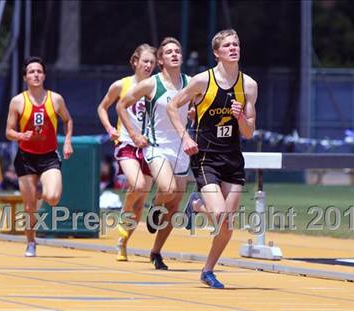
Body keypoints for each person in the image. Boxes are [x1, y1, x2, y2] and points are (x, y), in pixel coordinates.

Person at [167, 29, 257, 288]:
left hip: (232, 159)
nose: (233, 48)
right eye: (227, 45)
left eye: (236, 44)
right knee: (219, 216)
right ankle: (197, 205)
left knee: (227, 226)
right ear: (217, 52)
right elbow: (173, 106)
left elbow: (249, 132)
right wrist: (185, 137)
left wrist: (240, 117)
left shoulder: (249, 86)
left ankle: (208, 270)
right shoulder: (201, 81)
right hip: (206, 157)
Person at [117, 37, 191, 270]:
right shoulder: (151, 84)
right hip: (157, 146)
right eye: (169, 52)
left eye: (177, 51)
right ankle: (153, 209)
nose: (175, 55)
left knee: (174, 207)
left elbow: (201, 105)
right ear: (161, 60)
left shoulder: (191, 82)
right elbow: (121, 105)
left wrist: (195, 115)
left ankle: (156, 252)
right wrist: (133, 133)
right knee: (167, 189)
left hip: (181, 148)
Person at [5, 56, 73, 257]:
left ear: (44, 75)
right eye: (31, 72)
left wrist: (67, 141)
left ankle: (38, 196)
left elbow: (68, 120)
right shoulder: (18, 101)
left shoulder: (55, 99)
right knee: (29, 206)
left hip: (49, 156)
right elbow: (8, 131)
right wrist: (19, 135)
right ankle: (31, 242)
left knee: (52, 198)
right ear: (25, 77)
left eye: (39, 71)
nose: (36, 74)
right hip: (26, 158)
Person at [97, 43, 157, 261]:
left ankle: (123, 242)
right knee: (138, 185)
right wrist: (109, 128)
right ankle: (124, 213)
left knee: (140, 202)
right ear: (135, 62)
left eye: (152, 62)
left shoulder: (155, 86)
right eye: (145, 62)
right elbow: (102, 107)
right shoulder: (121, 85)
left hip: (149, 146)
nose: (149, 66)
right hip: (126, 143)